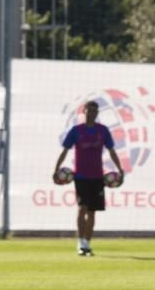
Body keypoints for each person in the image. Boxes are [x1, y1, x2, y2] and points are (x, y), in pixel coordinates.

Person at [53, 100, 124, 257]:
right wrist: (56, 169)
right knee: (82, 209)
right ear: (84, 112)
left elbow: (112, 150)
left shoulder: (103, 131)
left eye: (95, 110)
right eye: (89, 110)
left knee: (92, 212)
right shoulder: (76, 131)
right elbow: (65, 150)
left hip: (98, 177)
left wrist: (120, 169)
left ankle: (87, 244)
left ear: (97, 113)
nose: (92, 113)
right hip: (81, 176)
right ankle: (80, 243)